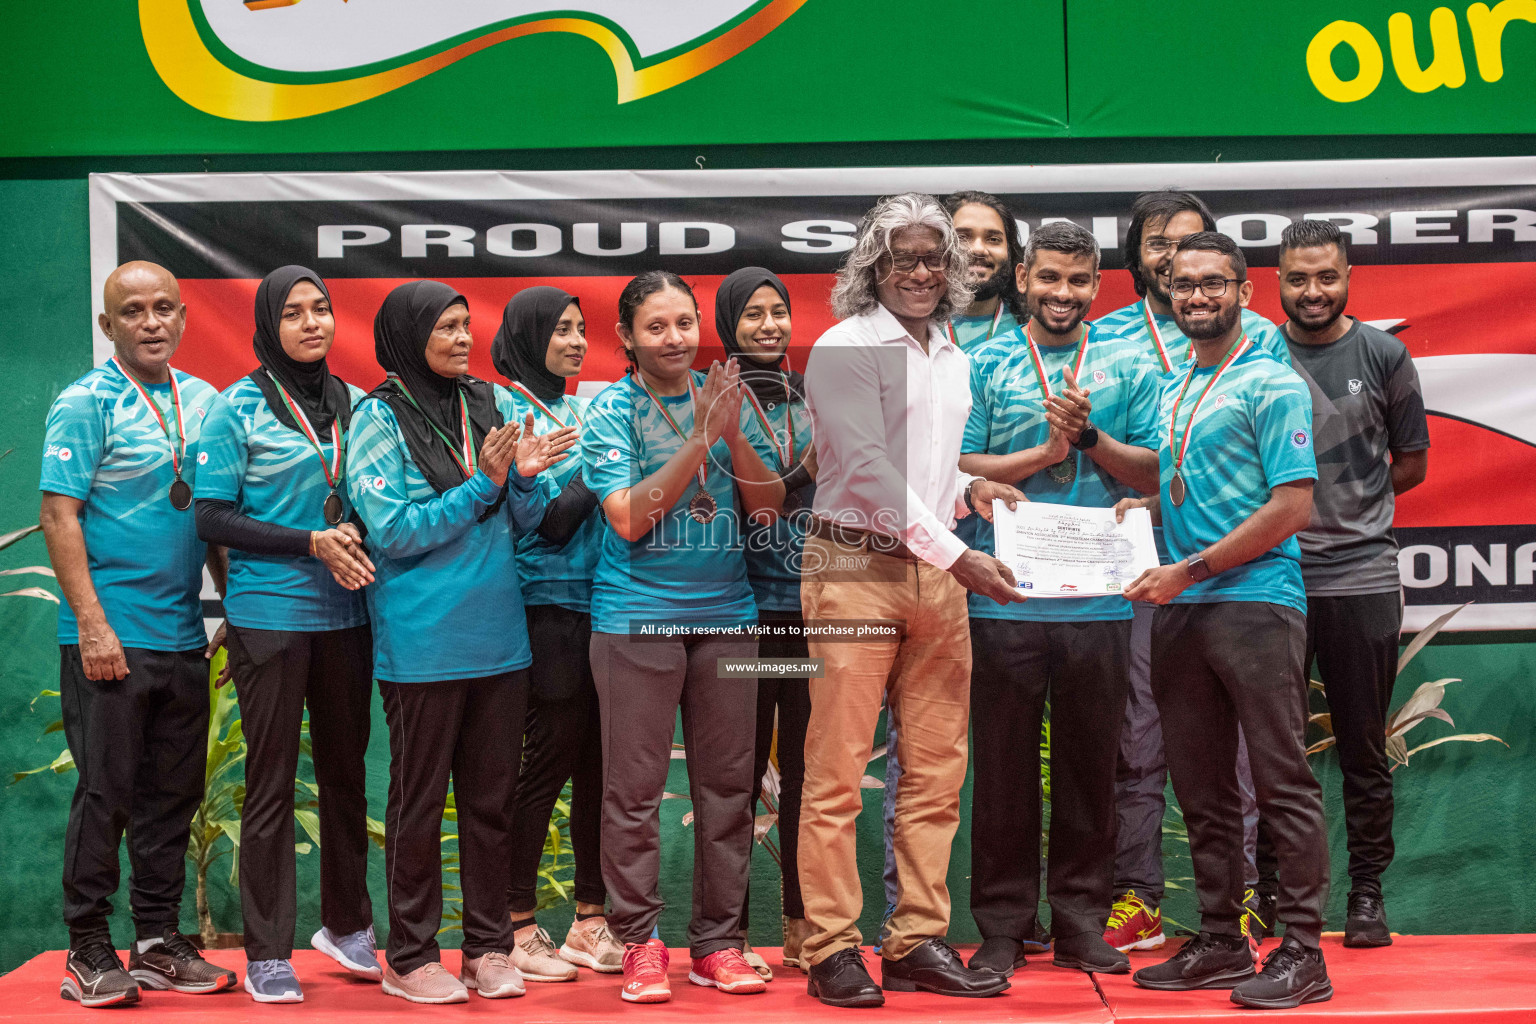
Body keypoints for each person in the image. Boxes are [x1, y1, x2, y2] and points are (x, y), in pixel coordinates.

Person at [797, 193, 1026, 1008]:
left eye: (937, 258)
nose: (924, 271)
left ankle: (917, 938)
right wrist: (961, 551)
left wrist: (974, 488)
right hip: (854, 566)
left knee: (934, 774)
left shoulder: (951, 353)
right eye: (906, 257)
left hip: (935, 576)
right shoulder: (843, 347)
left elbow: (925, 473)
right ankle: (829, 947)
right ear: (874, 265)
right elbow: (865, 473)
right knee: (834, 773)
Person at [346, 280, 576, 1004]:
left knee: (490, 802)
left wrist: (527, 481)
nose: (459, 339)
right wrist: (485, 484)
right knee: (418, 808)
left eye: (465, 325)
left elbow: (529, 518)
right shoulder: (376, 417)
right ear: (407, 336)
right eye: (443, 327)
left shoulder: (492, 403)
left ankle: (486, 949)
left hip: (500, 641)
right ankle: (409, 956)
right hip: (423, 645)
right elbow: (396, 533)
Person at [1121, 232, 1333, 1010]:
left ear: (1245, 292)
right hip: (1184, 608)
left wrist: (1193, 567)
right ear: (1168, 294)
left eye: (1214, 282)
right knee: (1202, 788)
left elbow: (1291, 504)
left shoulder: (1272, 382)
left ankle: (1305, 952)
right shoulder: (1179, 385)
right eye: (1183, 284)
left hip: (1254, 603)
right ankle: (1219, 941)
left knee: (1281, 783)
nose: (1197, 296)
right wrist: (1139, 508)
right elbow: (1189, 486)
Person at [960, 221, 1161, 978]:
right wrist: (1037, 453)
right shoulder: (985, 362)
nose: (1062, 294)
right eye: (1048, 278)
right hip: (1005, 596)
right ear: (1022, 277)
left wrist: (1088, 440)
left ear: (1098, 285)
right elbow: (958, 462)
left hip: (1102, 600)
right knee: (1005, 773)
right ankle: (1005, 927)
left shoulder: (1126, 365)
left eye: (1078, 281)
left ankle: (1080, 920)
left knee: (1090, 769)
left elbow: (1152, 471)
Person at [580, 271, 785, 1004]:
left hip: (728, 617)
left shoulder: (730, 399)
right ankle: (639, 945)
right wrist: (701, 441)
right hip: (638, 618)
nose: (675, 339)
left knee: (729, 791)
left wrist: (730, 433)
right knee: (633, 795)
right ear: (627, 339)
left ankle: (719, 945)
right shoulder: (609, 410)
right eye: (657, 327)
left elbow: (767, 509)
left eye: (684, 323)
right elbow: (629, 517)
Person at [40, 261, 238, 1007]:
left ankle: (155, 941)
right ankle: (87, 949)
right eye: (133, 312)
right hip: (110, 640)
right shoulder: (86, 402)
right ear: (108, 326)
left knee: (172, 799)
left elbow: (214, 517)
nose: (151, 322)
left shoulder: (204, 402)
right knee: (105, 795)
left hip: (184, 638)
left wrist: (234, 615)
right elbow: (60, 516)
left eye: (163, 309)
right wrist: (93, 626)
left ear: (184, 316)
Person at [1095, 190, 1278, 952]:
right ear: (1138, 257)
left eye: (1191, 241)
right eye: (1159, 243)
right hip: (1134, 561)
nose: (1174, 255)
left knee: (1234, 748)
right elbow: (1120, 457)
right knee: (1139, 737)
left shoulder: (1259, 339)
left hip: (1232, 567)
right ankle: (1135, 896)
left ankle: (1236, 906)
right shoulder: (1103, 338)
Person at [196, 266, 380, 1002]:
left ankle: (348, 926)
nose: (312, 323)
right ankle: (268, 952)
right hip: (269, 620)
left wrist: (357, 532)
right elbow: (211, 517)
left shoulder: (359, 406)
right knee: (269, 785)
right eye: (295, 312)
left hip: (348, 618)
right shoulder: (234, 408)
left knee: (345, 778)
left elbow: (375, 497)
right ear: (269, 323)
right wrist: (310, 542)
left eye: (322, 309)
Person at [1274, 219, 1429, 947]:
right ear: (1274, 280)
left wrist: (1352, 512)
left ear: (1348, 276)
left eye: (1326, 276)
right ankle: (1274, 896)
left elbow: (1411, 463)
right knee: (1271, 750)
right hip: (1269, 580)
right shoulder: (1252, 355)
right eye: (1298, 277)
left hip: (1361, 576)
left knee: (1363, 746)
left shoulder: (1385, 354)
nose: (1313, 291)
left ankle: (1366, 895)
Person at [490, 286, 624, 980]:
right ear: (528, 333)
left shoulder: (583, 411)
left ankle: (590, 920)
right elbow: (546, 521)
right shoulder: (501, 409)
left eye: (582, 329)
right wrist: (606, 473)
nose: (576, 341)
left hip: (603, 605)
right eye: (562, 330)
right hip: (542, 609)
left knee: (599, 769)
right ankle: (514, 926)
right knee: (544, 767)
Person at [714, 267, 816, 977]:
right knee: (739, 774)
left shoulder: (817, 397)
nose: (768, 326)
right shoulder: (706, 397)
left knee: (813, 776)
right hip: (742, 612)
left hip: (812, 612)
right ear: (729, 324)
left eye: (777, 312)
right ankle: (731, 934)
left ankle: (806, 924)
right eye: (752, 315)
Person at [942, 191, 1026, 350]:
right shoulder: (905, 326)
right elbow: (887, 375)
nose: (978, 249)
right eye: (963, 237)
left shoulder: (1033, 327)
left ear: (1010, 251)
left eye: (993, 239)